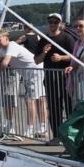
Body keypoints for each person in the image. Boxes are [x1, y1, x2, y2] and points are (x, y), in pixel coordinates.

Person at [0, 30, 46, 137]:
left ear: (6, 38)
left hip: (34, 71)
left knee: (31, 100)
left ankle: (31, 129)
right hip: (28, 74)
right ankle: (41, 127)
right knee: (39, 99)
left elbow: (4, 63)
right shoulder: (3, 49)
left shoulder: (12, 45)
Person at [33, 13, 75, 145]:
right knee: (54, 108)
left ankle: (70, 137)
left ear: (60, 24)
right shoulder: (43, 40)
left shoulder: (67, 38)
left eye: (55, 22)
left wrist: (61, 58)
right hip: (50, 78)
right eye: (50, 22)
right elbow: (36, 60)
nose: (52, 24)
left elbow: (75, 56)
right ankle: (57, 136)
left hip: (65, 77)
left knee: (69, 107)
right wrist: (44, 53)